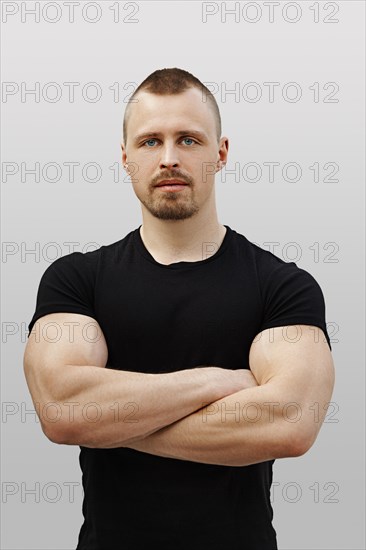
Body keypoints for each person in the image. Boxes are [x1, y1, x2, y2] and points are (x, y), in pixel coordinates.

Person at [23, 67, 335, 550]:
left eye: (188, 140)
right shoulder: (76, 279)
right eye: (150, 142)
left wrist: (109, 420)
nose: (169, 158)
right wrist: (219, 381)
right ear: (125, 158)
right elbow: (62, 408)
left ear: (221, 154)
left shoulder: (282, 285)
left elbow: (290, 421)